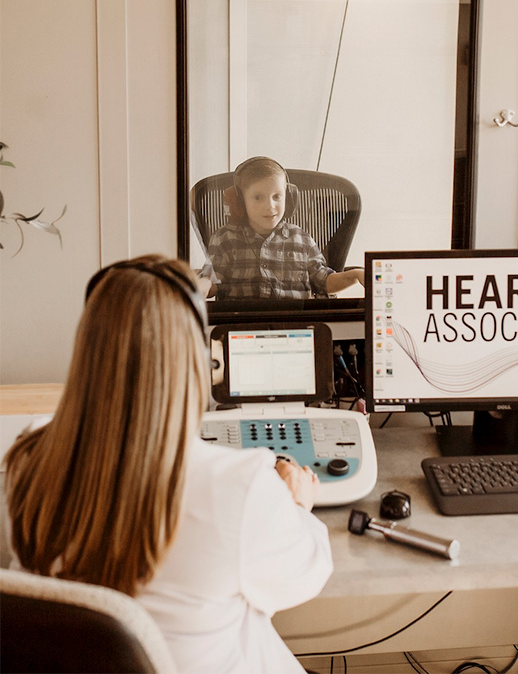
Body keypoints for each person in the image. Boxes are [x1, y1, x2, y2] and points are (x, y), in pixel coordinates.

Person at [4, 255, 333, 674]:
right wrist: (297, 506)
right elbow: (305, 576)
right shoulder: (239, 486)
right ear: (195, 361)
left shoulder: (27, 460)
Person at [206, 156, 365, 300]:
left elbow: (323, 282)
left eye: (277, 196)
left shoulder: (300, 238)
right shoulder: (225, 238)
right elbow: (211, 283)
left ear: (288, 198)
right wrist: (198, 286)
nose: (270, 206)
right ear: (239, 202)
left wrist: (356, 276)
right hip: (243, 325)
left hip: (295, 325)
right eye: (258, 197)